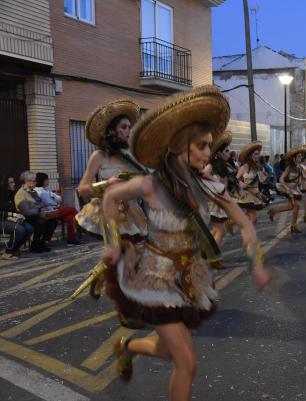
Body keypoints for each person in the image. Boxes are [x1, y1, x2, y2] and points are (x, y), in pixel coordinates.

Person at [102, 85, 271, 401]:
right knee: (187, 362)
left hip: (190, 280)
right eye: (202, 146)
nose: (208, 153)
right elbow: (110, 197)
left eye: (209, 146)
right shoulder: (152, 184)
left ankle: (126, 346)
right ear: (181, 146)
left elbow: (245, 222)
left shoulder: (208, 186)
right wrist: (113, 242)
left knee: (167, 350)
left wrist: (257, 264)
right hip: (156, 280)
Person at [72, 99, 148, 302]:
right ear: (112, 131)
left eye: (129, 127)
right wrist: (107, 184)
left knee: (132, 254)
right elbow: (83, 188)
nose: (128, 131)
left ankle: (101, 278)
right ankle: (128, 304)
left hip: (131, 211)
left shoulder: (130, 156)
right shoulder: (99, 156)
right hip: (107, 211)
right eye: (124, 127)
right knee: (122, 255)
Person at [203, 131, 245, 250]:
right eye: (226, 151)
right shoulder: (212, 165)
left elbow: (231, 182)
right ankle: (213, 256)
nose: (228, 153)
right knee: (220, 230)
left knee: (217, 229)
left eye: (228, 151)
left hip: (221, 201)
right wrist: (215, 182)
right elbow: (202, 175)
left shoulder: (225, 166)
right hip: (214, 202)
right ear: (219, 153)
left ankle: (205, 249)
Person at [14, 171, 59, 253]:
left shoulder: (33, 191)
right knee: (41, 222)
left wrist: (42, 208)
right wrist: (38, 209)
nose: (36, 182)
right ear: (27, 181)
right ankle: (35, 244)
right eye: (34, 181)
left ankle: (43, 242)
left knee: (54, 221)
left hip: (36, 215)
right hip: (25, 218)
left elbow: (41, 203)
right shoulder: (21, 193)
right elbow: (26, 212)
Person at [34, 173, 81, 245]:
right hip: (51, 212)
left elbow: (59, 199)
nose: (48, 181)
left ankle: (71, 239)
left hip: (57, 208)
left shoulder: (47, 189)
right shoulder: (39, 191)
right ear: (41, 181)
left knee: (70, 218)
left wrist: (53, 199)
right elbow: (49, 202)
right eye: (46, 180)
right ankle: (82, 226)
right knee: (73, 210)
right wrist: (53, 200)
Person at [268, 147, 304, 234]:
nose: (300, 158)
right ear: (293, 158)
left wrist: (301, 182)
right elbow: (281, 179)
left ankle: (274, 210)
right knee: (297, 206)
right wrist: (287, 189)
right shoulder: (289, 168)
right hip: (287, 189)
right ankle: (294, 226)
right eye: (298, 156)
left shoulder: (300, 167)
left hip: (295, 189)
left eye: (301, 156)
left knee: (291, 206)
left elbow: (299, 180)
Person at [0, 176, 33, 259]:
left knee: (29, 228)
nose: (14, 184)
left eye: (13, 182)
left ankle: (14, 249)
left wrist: (19, 214)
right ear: (5, 184)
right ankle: (7, 253)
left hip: (9, 219)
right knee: (19, 230)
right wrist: (13, 215)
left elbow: (14, 209)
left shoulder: (11, 194)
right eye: (11, 182)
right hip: (2, 220)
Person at [236, 142, 268, 225]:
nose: (258, 156)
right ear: (250, 155)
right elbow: (236, 180)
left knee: (252, 218)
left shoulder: (258, 167)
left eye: (258, 154)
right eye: (256, 154)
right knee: (253, 217)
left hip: (255, 194)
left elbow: (262, 181)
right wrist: (241, 184)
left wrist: (264, 175)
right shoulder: (244, 167)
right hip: (246, 194)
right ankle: (251, 237)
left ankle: (233, 222)